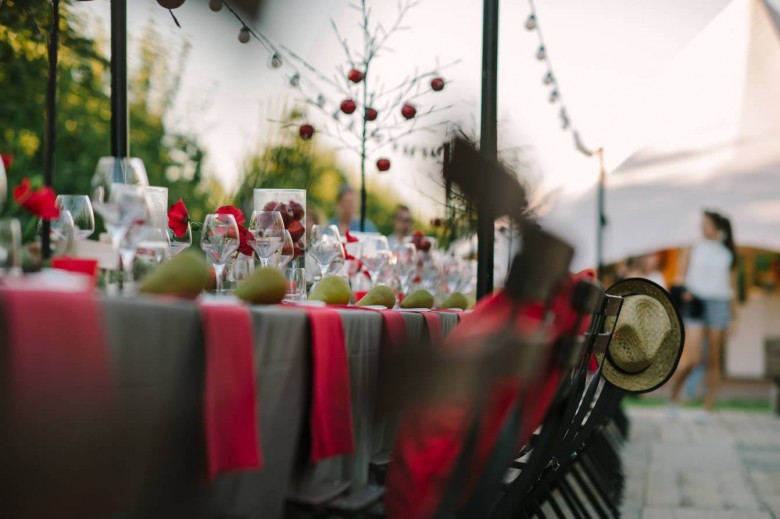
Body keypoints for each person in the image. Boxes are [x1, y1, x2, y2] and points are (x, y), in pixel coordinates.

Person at [668, 210, 738, 420]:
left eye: (706, 224)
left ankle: (707, 408)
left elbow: (731, 288)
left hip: (719, 305)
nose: (702, 227)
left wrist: (734, 317)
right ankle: (673, 400)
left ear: (718, 228)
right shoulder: (693, 246)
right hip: (696, 302)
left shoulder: (728, 254)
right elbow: (680, 276)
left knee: (714, 360)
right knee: (693, 358)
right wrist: (685, 292)